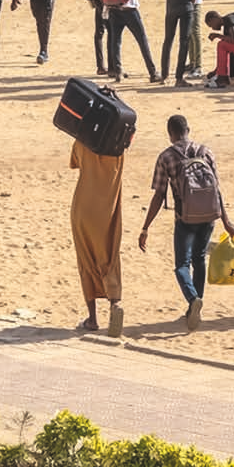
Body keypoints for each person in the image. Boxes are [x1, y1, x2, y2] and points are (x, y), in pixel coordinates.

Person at [139, 115, 234, 328]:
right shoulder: (206, 152)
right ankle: (195, 306)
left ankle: (193, 300)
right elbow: (216, 190)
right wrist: (227, 222)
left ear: (170, 134)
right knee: (199, 259)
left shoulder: (166, 157)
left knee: (181, 266)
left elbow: (159, 195)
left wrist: (145, 227)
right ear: (188, 130)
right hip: (209, 216)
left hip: (185, 219)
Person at [69, 130, 127, 339]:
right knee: (110, 256)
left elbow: (75, 163)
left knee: (86, 259)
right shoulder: (119, 146)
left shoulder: (81, 141)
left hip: (83, 208)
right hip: (109, 210)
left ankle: (92, 318)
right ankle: (115, 304)